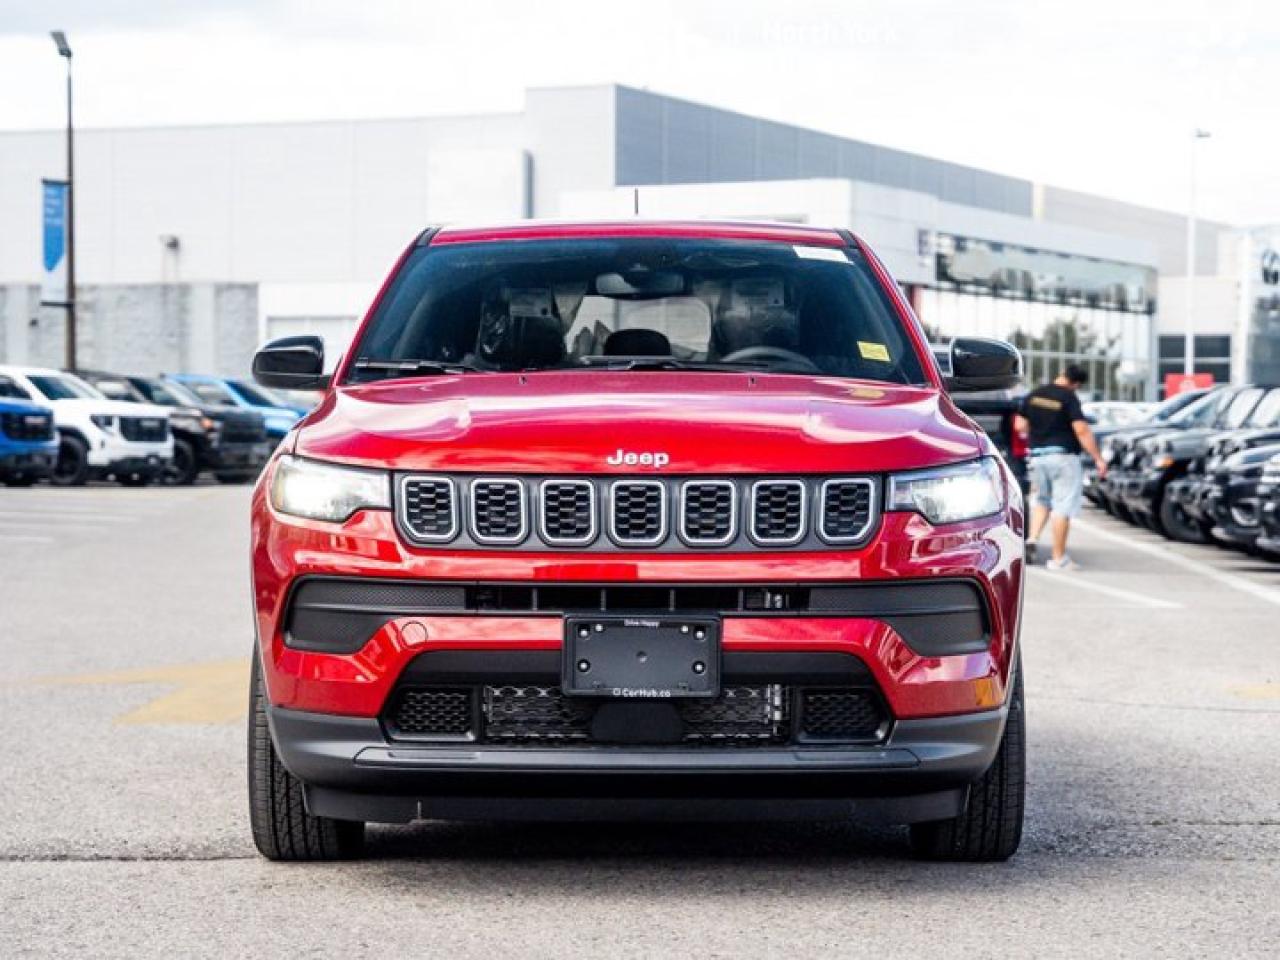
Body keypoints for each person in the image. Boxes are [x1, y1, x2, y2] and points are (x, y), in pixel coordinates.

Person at [1014, 364, 1107, 570]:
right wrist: (1098, 458)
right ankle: (1058, 559)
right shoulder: (1068, 397)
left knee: (1042, 501)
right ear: (1076, 384)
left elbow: (1020, 426)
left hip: (1037, 457)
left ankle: (1033, 539)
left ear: (1062, 373)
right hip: (1063, 457)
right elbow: (1081, 429)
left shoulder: (1035, 394)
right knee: (1062, 505)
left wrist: (1040, 430)